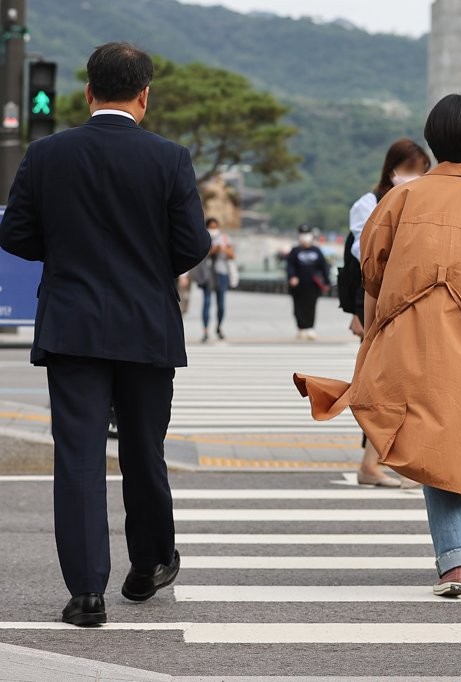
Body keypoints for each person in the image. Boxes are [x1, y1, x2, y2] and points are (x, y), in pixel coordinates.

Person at [294, 94, 461, 598]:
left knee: (445, 440)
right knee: (460, 437)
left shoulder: (397, 202)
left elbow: (372, 278)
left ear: (433, 140)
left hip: (413, 344)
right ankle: (459, 554)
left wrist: (370, 338)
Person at [0, 43, 210, 627]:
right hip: (147, 325)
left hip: (72, 324)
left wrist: (67, 255)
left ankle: (87, 593)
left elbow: (15, 234)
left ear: (88, 92)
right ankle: (148, 565)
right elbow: (193, 244)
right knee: (144, 451)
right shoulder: (170, 158)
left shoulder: (47, 155)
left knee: (79, 459)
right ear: (145, 95)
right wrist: (148, 261)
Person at [348, 138, 431, 487]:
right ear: (393, 168)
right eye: (410, 170)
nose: (416, 177)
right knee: (386, 385)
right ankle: (379, 462)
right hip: (378, 304)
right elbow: (363, 259)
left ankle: (379, 461)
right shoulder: (368, 204)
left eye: (421, 172)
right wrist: (358, 313)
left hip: (407, 303)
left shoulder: (421, 200)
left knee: (400, 386)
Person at [191, 217, 235, 342]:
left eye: (215, 227)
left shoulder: (225, 238)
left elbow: (232, 255)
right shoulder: (202, 238)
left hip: (221, 272)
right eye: (211, 227)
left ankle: (219, 327)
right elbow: (198, 254)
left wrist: (222, 249)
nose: (213, 229)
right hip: (207, 274)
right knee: (207, 302)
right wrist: (211, 250)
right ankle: (205, 330)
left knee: (221, 304)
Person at [286, 224, 331, 340]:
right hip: (298, 285)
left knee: (311, 306)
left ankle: (310, 327)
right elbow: (290, 266)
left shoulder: (317, 250)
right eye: (302, 234)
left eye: (307, 234)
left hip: (313, 285)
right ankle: (301, 327)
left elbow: (324, 266)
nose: (305, 237)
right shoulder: (295, 251)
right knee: (298, 307)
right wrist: (292, 277)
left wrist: (326, 281)